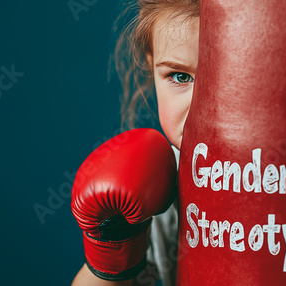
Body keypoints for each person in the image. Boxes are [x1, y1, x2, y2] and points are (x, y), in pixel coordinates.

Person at [72, 1, 200, 285]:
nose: (200, 110)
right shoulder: (167, 185)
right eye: (180, 76)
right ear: (150, 63)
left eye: (230, 80)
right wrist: (114, 245)